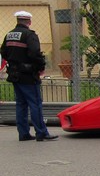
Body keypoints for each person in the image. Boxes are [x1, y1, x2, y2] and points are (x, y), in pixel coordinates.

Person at [1, 11, 58, 141]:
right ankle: (41, 132)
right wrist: (40, 67)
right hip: (28, 75)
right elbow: (34, 54)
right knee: (35, 103)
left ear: (17, 21)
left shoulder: (9, 35)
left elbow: (3, 52)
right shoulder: (29, 35)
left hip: (15, 75)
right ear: (29, 22)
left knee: (21, 104)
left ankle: (23, 133)